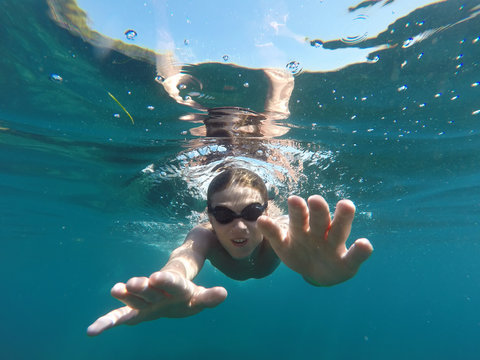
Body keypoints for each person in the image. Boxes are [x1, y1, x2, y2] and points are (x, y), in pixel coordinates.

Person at [87, 167, 373, 336]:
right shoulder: (204, 235)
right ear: (209, 217)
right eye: (223, 215)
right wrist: (167, 282)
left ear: (267, 211)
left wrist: (316, 277)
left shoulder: (282, 232)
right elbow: (183, 259)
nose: (239, 227)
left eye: (251, 212)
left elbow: (302, 246)